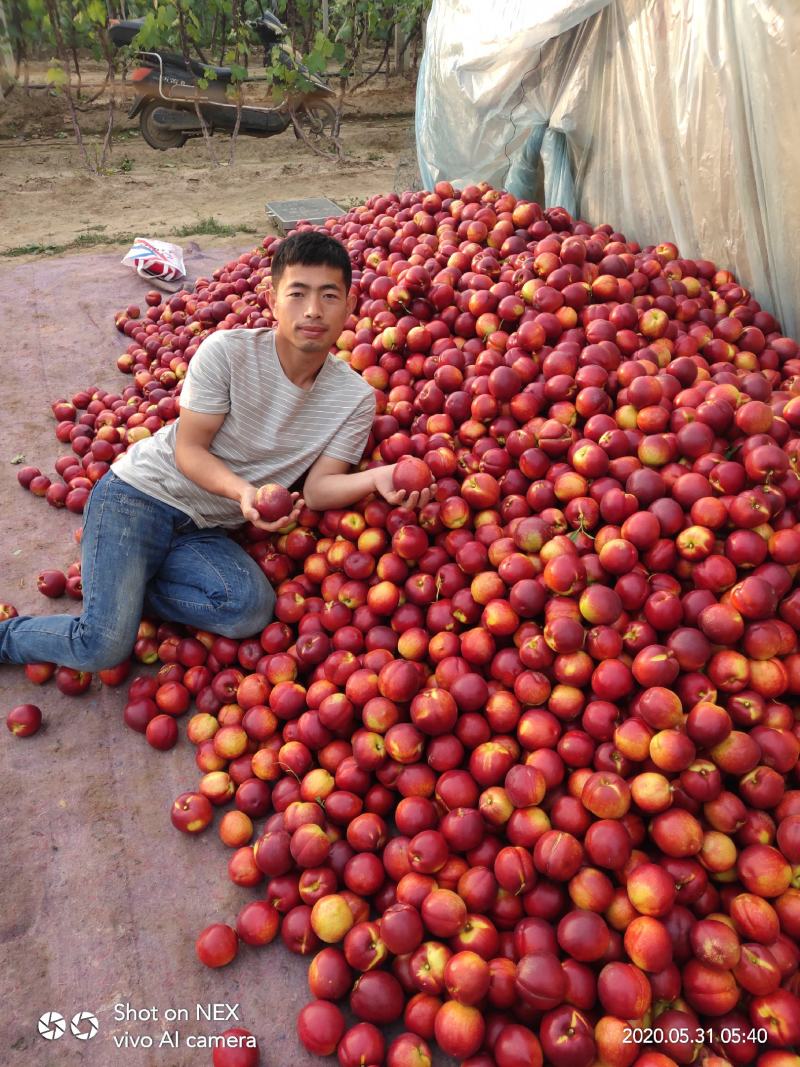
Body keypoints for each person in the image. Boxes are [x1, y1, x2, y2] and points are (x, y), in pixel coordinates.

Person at [0, 231, 433, 671]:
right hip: (140, 496)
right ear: (271, 301)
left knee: (248, 609)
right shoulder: (226, 353)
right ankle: (7, 638)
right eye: (298, 294)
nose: (313, 311)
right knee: (102, 647)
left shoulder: (354, 399)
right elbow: (190, 451)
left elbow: (319, 490)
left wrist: (378, 477)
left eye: (329, 296)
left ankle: (123, 590)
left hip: (205, 527)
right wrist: (245, 494)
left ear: (351, 304)